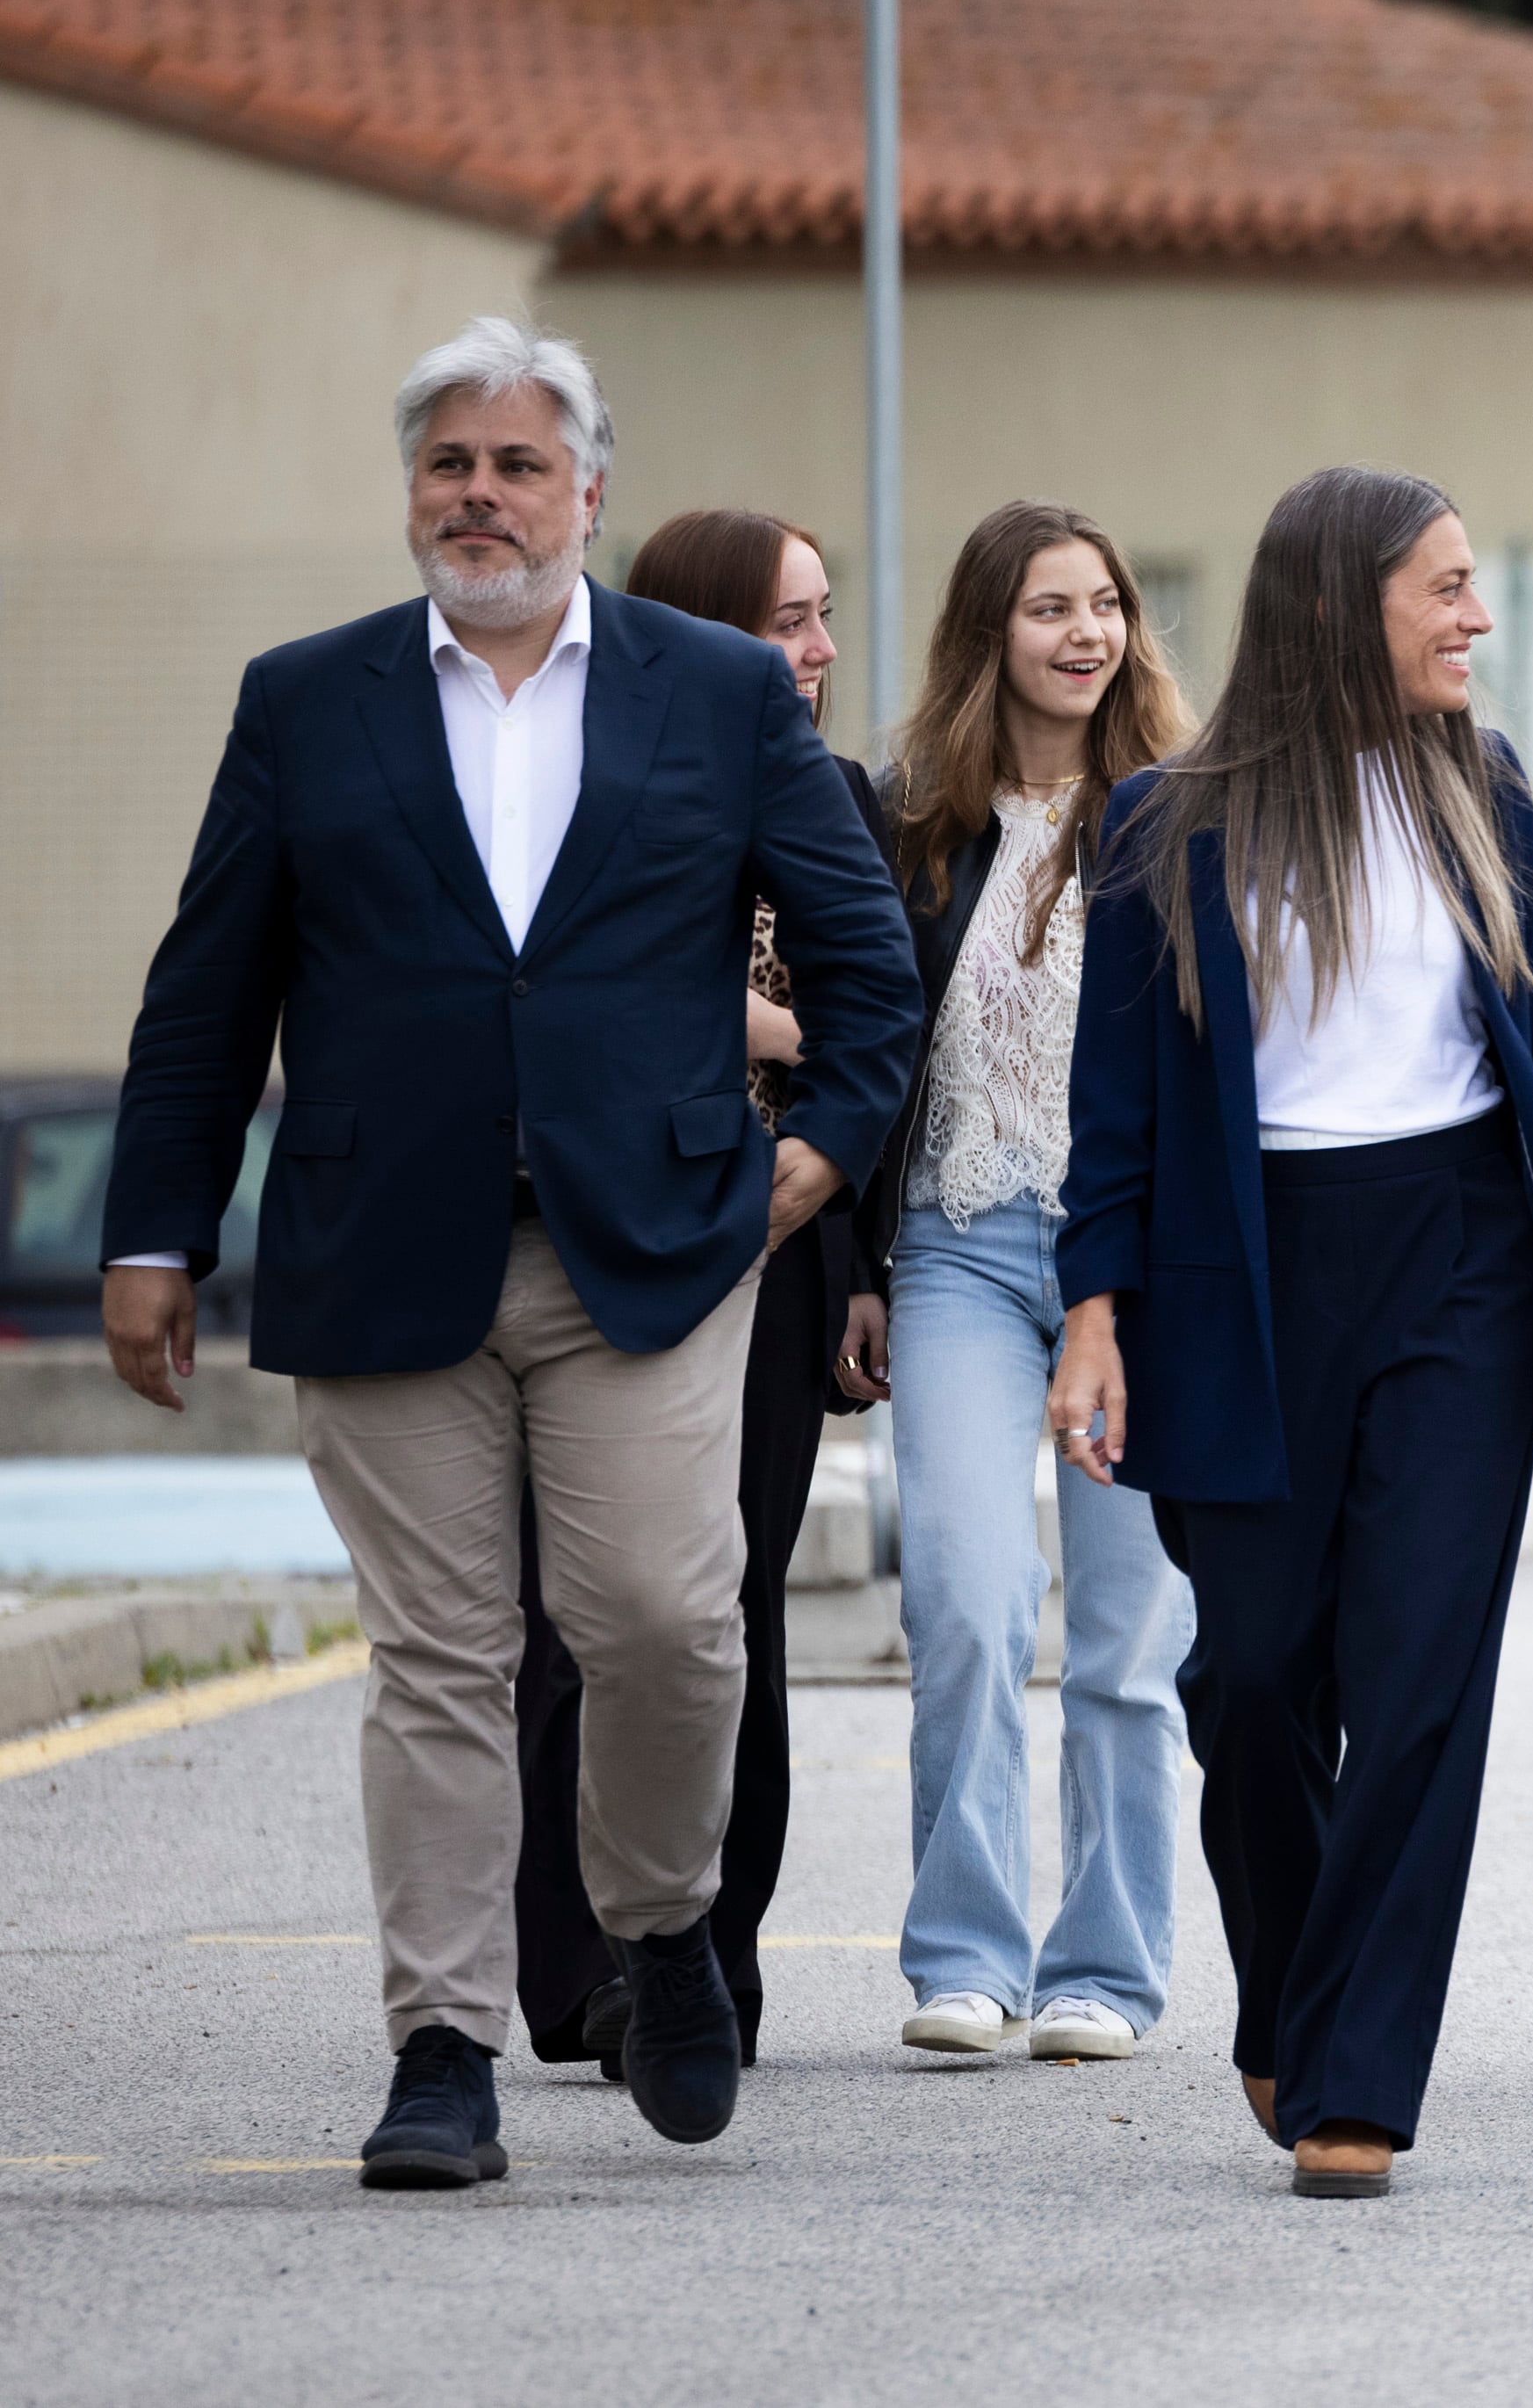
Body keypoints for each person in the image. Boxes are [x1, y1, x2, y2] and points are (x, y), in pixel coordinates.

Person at [98, 318, 921, 2188]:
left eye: (518, 464)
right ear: (413, 494)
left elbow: (871, 964)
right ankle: (443, 2045)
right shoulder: (306, 700)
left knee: (660, 1622)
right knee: (443, 1657)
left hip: (654, 1246)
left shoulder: (712, 693)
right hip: (385, 1254)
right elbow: (206, 995)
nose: (481, 494)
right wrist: (155, 1225)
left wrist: (820, 1158)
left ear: (589, 493)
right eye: (449, 465)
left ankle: (658, 1924)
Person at [1044, 466, 1533, 2198]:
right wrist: (1095, 1313)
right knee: (1248, 1673)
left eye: (1472, 584)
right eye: (1443, 587)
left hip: (1457, 1256)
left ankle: (1359, 2074)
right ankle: (1292, 1988)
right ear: (1338, 605)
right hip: (1240, 1274)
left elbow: (1529, 1058)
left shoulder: (1485, 788)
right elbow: (1118, 1102)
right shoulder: (1164, 818)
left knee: (1421, 1673)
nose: (1476, 616)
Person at [512, 508, 885, 2079]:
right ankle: (576, 1962)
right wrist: (764, 1034)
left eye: (822, 619)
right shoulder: (585, 781)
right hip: (600, 1240)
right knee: (572, 1619)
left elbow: (882, 1024)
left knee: (730, 1612)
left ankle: (710, 1961)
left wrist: (859, 1264)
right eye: (785, 620)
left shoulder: (841, 795)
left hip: (782, 1250)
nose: (813, 652)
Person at [836, 503, 1197, 2065]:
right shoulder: (913, 824)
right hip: (961, 1250)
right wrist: (859, 1265)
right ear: (992, 632)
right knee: (972, 1602)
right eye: (1051, 607)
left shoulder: (1184, 821)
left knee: (1126, 1638)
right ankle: (967, 1958)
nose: (1087, 633)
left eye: (1107, 604)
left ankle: (1107, 1972)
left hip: (1140, 1265)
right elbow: (866, 1056)